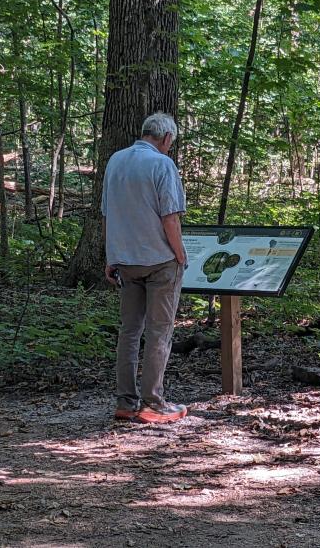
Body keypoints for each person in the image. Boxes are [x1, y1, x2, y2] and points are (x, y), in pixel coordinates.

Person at [101, 112, 188, 423]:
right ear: (166, 138)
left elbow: (107, 213)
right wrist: (180, 255)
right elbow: (170, 217)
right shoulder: (162, 164)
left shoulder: (115, 161)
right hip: (160, 260)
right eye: (171, 142)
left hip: (126, 259)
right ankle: (154, 403)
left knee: (129, 332)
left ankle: (125, 401)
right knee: (159, 331)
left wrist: (111, 256)